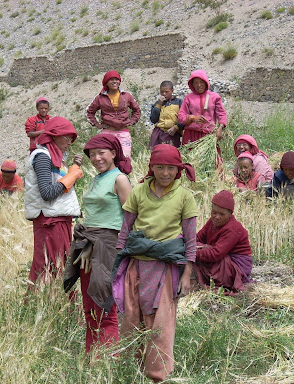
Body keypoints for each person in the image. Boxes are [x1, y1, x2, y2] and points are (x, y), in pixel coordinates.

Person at [112, 144, 197, 382]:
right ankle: (130, 369)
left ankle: (158, 375)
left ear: (178, 170)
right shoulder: (139, 192)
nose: (165, 173)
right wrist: (119, 262)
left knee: (161, 324)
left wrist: (186, 273)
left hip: (165, 269)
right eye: (160, 167)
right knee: (131, 319)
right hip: (136, 266)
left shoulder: (184, 196)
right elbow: (125, 230)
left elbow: (191, 239)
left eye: (170, 168)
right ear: (152, 168)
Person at [64, 134, 132, 354]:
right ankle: (91, 356)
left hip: (108, 246)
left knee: (104, 305)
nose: (96, 158)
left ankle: (108, 359)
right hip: (88, 244)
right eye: (92, 155)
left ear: (113, 153)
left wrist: (120, 249)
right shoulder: (95, 179)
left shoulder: (119, 179)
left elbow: (131, 218)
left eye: (101, 153)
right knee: (89, 304)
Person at [24, 116, 84, 288]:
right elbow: (47, 192)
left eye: (71, 139)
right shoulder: (42, 157)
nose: (69, 142)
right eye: (66, 137)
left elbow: (59, 187)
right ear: (54, 135)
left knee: (56, 267)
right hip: (50, 222)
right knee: (49, 267)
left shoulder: (52, 156)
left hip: (56, 219)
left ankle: (53, 306)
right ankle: (44, 305)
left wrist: (72, 169)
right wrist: (71, 176)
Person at [194, 190, 253, 294]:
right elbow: (198, 238)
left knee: (202, 250)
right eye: (214, 212)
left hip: (237, 266)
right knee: (197, 246)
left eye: (222, 214)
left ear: (230, 214)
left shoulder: (232, 229)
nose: (217, 217)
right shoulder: (212, 222)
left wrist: (190, 252)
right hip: (224, 258)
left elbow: (216, 254)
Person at [86, 70, 141, 158]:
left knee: (125, 158)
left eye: (116, 79)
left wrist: (132, 121)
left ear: (119, 81)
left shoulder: (126, 96)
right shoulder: (100, 98)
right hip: (107, 133)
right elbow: (89, 112)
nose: (114, 81)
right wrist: (96, 124)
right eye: (111, 79)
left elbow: (137, 110)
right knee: (107, 158)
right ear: (106, 82)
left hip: (124, 133)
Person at [177, 69, 227, 145]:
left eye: (201, 82)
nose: (199, 85)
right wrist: (192, 118)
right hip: (191, 136)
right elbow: (181, 116)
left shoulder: (214, 97)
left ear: (206, 82)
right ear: (192, 84)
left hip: (209, 135)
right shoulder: (188, 98)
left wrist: (220, 128)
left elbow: (222, 114)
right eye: (196, 83)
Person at [148, 80, 184, 148]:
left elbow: (184, 118)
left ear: (172, 91)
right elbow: (153, 119)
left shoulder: (179, 102)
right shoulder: (157, 103)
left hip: (173, 133)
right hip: (158, 133)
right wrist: (159, 105)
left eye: (167, 92)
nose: (164, 94)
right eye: (162, 92)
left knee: (170, 154)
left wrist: (176, 127)